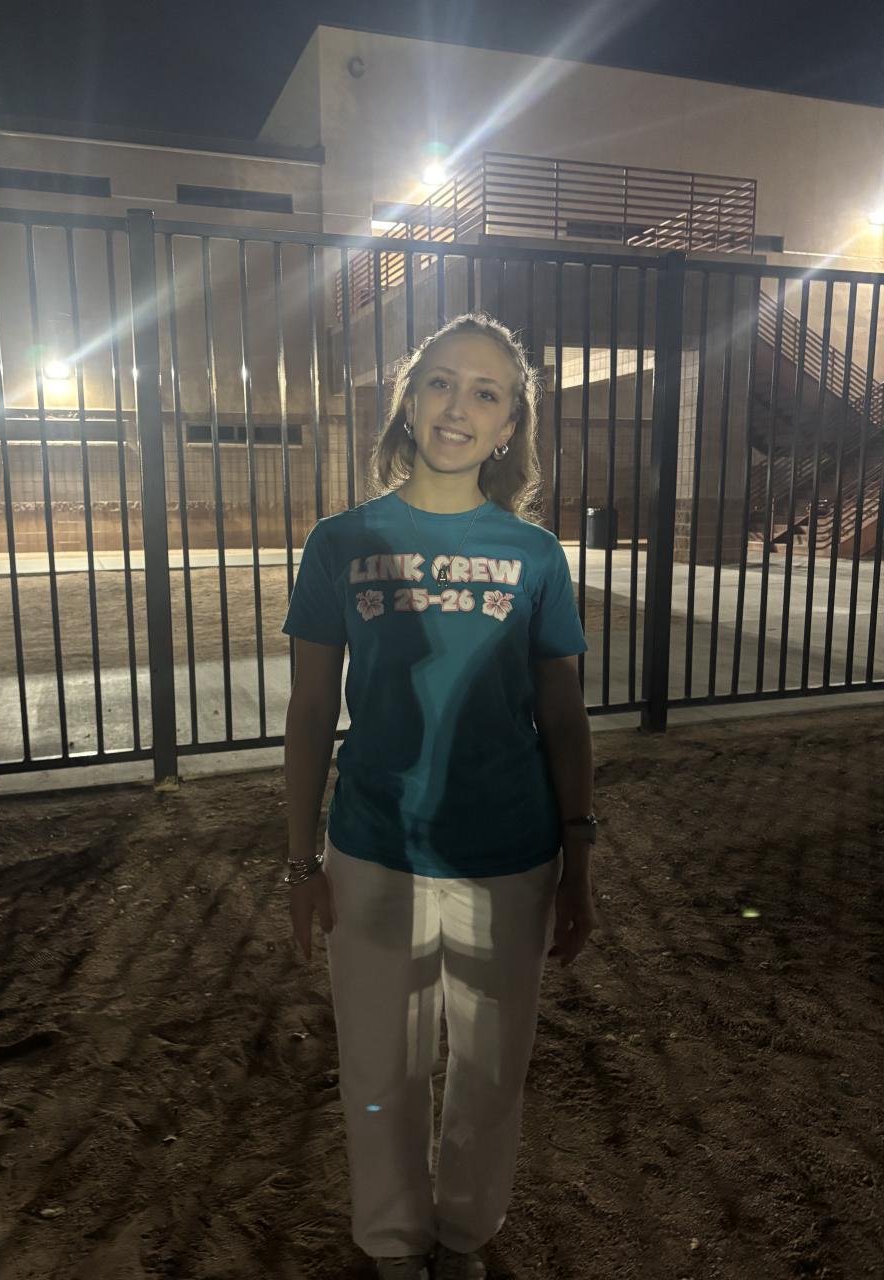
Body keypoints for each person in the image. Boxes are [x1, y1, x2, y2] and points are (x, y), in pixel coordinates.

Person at [282, 313, 598, 1280]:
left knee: (491, 1073)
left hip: (510, 853)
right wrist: (299, 861)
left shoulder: (535, 556)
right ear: (410, 398)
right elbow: (309, 710)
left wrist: (579, 858)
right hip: (374, 848)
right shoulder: (340, 542)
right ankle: (392, 1244)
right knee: (381, 1070)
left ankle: (464, 1237)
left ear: (509, 426)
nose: (459, 407)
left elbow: (564, 715)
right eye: (442, 382)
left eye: (486, 393)